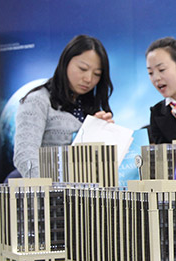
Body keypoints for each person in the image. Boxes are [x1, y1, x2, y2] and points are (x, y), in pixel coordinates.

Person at [13, 34, 114, 178]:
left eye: (97, 74)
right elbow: (25, 156)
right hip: (49, 190)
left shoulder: (91, 108)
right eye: (82, 69)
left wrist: (98, 133)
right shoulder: (37, 101)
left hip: (83, 190)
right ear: (65, 62)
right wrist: (53, 188)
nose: (88, 79)